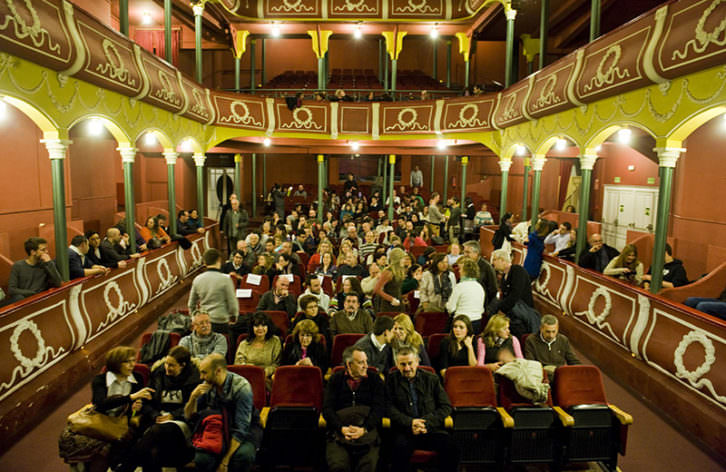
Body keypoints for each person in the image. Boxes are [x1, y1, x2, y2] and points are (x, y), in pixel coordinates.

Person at [120, 346, 200, 472]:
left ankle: (125, 468)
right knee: (151, 450)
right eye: (166, 363)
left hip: (181, 422)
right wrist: (154, 414)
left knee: (156, 431)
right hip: (157, 419)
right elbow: (146, 401)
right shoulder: (158, 374)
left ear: (182, 365)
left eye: (172, 365)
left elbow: (196, 406)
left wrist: (173, 415)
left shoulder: (195, 379)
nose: (167, 367)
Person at [386, 346, 459, 472]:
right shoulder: (391, 381)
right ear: (397, 364)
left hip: (430, 429)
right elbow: (388, 408)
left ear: (417, 362)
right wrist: (410, 423)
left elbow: (446, 406)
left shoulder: (432, 379)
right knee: (397, 449)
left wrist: (426, 423)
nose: (407, 368)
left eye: (410, 363)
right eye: (403, 364)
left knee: (452, 447)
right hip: (404, 431)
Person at [84, 346, 155, 471]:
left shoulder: (137, 378)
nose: (132, 365)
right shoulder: (100, 380)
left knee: (142, 449)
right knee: (101, 455)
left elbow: (141, 403)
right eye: (127, 362)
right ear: (116, 364)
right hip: (102, 423)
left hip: (124, 423)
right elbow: (100, 404)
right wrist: (131, 397)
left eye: (133, 360)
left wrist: (136, 407)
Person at [184, 354, 257, 472]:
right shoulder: (207, 385)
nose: (201, 376)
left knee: (243, 456)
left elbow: (241, 428)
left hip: (243, 428)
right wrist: (193, 397)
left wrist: (225, 461)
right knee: (202, 459)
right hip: (217, 427)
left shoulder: (241, 387)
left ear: (218, 371)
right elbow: (188, 416)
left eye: (204, 372)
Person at [323, 347, 385, 472]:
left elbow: (379, 408)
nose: (366, 366)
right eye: (361, 362)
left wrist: (364, 429)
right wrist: (341, 428)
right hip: (340, 434)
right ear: (349, 364)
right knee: (338, 466)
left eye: (366, 361)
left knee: (369, 467)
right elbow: (327, 409)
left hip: (367, 434)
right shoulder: (335, 379)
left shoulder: (375, 379)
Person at [488, 249, 536, 338]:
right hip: (512, 309)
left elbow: (515, 295)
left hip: (521, 311)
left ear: (502, 260)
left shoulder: (517, 271)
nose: (492, 262)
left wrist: (502, 310)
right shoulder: (504, 276)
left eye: (494, 259)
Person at [188, 249, 238, 334]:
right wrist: (233, 316)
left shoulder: (197, 279)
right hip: (221, 321)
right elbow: (232, 302)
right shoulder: (226, 279)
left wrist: (195, 317)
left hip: (203, 321)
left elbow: (191, 304)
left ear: (204, 262)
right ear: (219, 260)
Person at [7, 237, 63, 303]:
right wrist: (32, 293)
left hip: (40, 301)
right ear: (33, 252)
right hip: (23, 302)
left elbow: (58, 283)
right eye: (43, 250)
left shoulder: (46, 265)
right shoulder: (18, 266)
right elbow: (12, 289)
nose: (46, 252)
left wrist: (49, 263)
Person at [234, 312, 282, 388]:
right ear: (251, 327)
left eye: (263, 325)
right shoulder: (244, 344)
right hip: (247, 377)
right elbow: (238, 364)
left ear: (268, 326)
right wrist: (253, 371)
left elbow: (277, 364)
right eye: (256, 325)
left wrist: (264, 372)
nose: (260, 328)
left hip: (267, 377)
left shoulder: (275, 341)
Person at [445, 258, 485, 333]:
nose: (459, 271)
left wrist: (446, 305)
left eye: (460, 269)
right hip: (477, 322)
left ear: (465, 271)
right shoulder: (479, 287)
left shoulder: (460, 286)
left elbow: (451, 308)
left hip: (461, 323)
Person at [462, 241, 498, 306]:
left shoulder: (487, 268)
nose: (465, 255)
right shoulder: (464, 265)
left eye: (467, 252)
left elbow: (493, 289)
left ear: (476, 253)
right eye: (464, 252)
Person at [372, 247, 407, 313]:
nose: (404, 260)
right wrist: (391, 299)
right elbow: (377, 289)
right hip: (389, 306)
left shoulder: (400, 271)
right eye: (403, 258)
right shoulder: (388, 272)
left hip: (398, 304)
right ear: (397, 259)